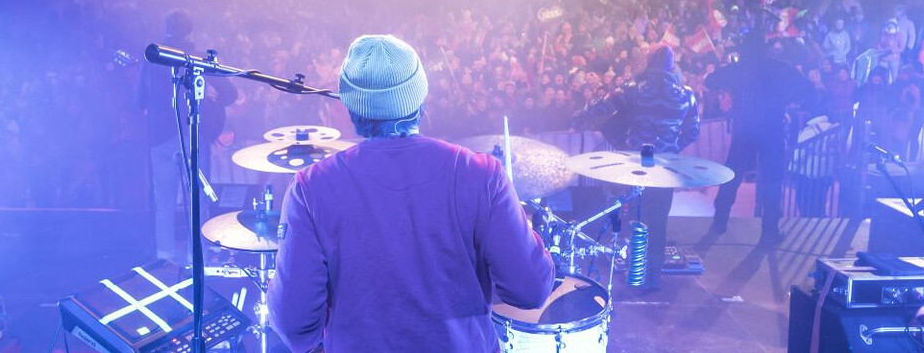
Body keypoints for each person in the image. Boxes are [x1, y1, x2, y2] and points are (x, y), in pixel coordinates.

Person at [270, 35, 554, 352]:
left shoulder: (311, 189)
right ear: (420, 98)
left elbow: (294, 325)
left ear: (350, 106)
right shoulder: (481, 175)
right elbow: (531, 289)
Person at [574, 46, 700, 292]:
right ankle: (654, 276)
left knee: (636, 216)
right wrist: (671, 148)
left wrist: (578, 116)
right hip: (665, 166)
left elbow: (600, 107)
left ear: (648, 63)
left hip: (636, 163)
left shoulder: (633, 90)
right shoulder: (686, 95)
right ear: (672, 67)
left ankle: (636, 272)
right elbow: (693, 132)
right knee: (659, 220)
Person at [136, 9, 237, 263]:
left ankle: (164, 256)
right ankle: (197, 253)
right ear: (189, 30)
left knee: (165, 200)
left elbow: (139, 100)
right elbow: (230, 92)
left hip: (159, 137)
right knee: (197, 198)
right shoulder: (197, 56)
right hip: (192, 133)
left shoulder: (151, 57)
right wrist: (214, 99)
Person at [705, 43, 816, 242]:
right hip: (772, 128)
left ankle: (719, 222)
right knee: (772, 181)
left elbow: (711, 81)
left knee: (732, 175)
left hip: (745, 128)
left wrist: (732, 80)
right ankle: (769, 231)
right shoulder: (780, 67)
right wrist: (784, 98)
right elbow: (806, 89)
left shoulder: (740, 68)